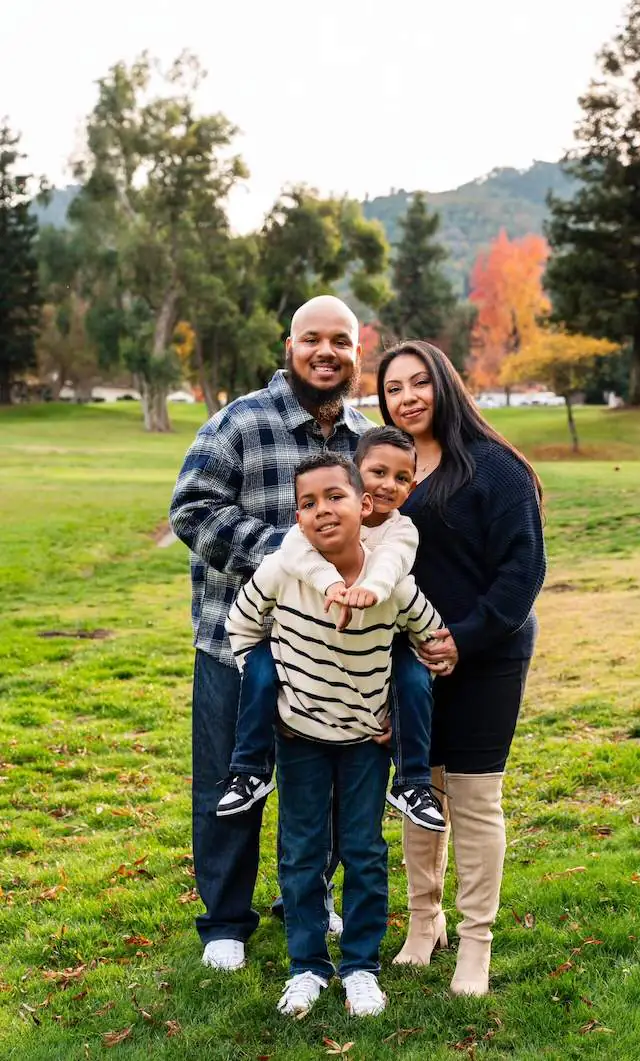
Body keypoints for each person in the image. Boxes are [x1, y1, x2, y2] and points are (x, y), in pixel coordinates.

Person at [169, 295, 373, 971]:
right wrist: (288, 552)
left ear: (355, 351)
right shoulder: (239, 423)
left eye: (339, 341)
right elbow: (191, 510)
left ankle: (305, 901)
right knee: (229, 781)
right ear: (289, 346)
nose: (325, 352)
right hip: (238, 647)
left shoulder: (365, 438)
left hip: (334, 655)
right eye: (312, 338)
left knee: (326, 790)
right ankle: (225, 918)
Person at [225, 452, 446, 1017]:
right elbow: (241, 627)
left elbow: (429, 639)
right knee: (300, 856)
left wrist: (408, 695)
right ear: (297, 517)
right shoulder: (282, 571)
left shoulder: (392, 584)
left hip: (363, 747)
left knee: (365, 854)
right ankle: (306, 968)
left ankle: (360, 969)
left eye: (335, 497)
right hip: (299, 740)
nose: (322, 510)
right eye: (307, 503)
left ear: (364, 505)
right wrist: (266, 685)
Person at [376, 339, 547, 996]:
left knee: (473, 799)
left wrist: (461, 638)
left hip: (487, 655)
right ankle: (425, 923)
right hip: (411, 662)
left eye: (420, 382)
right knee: (422, 792)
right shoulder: (392, 469)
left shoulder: (494, 469)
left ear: (444, 385)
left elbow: (521, 574)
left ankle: (475, 941)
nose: (408, 396)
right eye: (394, 388)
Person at [216, 425, 447, 832]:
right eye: (377, 472)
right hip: (311, 641)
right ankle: (249, 769)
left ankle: (412, 782)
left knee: (412, 677)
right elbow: (294, 552)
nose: (389, 485)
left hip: (383, 637)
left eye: (402, 478)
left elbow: (392, 563)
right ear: (357, 476)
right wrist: (333, 586)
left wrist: (368, 591)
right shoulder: (312, 526)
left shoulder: (400, 529)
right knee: (261, 667)